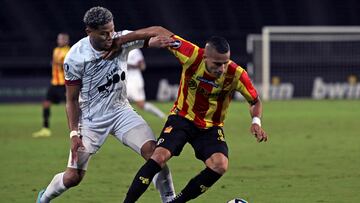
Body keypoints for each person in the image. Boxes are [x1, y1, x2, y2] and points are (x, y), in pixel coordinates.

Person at [35, 6, 176, 203]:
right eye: (103, 33)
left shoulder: (120, 39)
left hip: (121, 111)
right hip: (91, 119)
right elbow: (71, 100)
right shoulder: (75, 57)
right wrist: (74, 133)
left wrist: (122, 40)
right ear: (89, 32)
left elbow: (159, 30)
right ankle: (44, 198)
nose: (110, 36)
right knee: (73, 178)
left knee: (155, 156)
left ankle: (170, 200)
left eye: (112, 30)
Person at [122, 31, 268, 203]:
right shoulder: (191, 54)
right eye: (217, 64)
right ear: (205, 56)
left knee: (220, 165)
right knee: (158, 157)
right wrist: (123, 40)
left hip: (211, 127)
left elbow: (254, 101)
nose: (221, 69)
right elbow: (160, 30)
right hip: (182, 118)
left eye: (225, 63)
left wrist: (256, 122)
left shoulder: (236, 74)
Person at [32, 33, 70, 138]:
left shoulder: (69, 51)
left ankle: (80, 129)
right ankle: (45, 129)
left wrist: (58, 64)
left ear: (66, 41)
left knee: (70, 106)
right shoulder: (56, 50)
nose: (59, 41)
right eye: (58, 39)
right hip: (54, 83)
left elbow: (68, 67)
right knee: (46, 104)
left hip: (64, 84)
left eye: (62, 39)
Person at [127, 48, 166, 119]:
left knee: (140, 104)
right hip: (126, 81)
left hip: (134, 81)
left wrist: (128, 65)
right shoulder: (119, 51)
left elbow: (142, 66)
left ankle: (162, 116)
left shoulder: (134, 51)